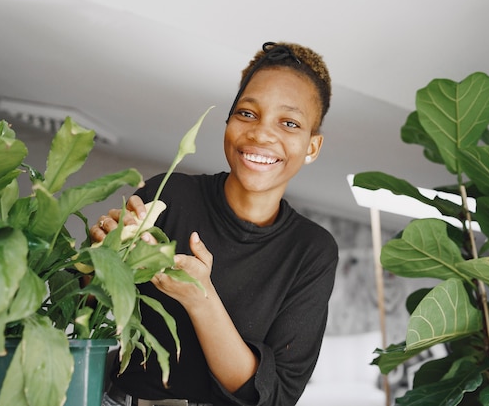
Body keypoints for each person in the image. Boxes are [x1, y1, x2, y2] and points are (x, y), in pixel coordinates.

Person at [93, 41, 338, 406]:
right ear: (228, 120)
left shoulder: (311, 251)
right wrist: (101, 256)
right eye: (247, 113)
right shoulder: (169, 193)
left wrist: (201, 299)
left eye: (289, 123)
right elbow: (85, 306)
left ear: (312, 146)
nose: (261, 134)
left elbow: (273, 397)